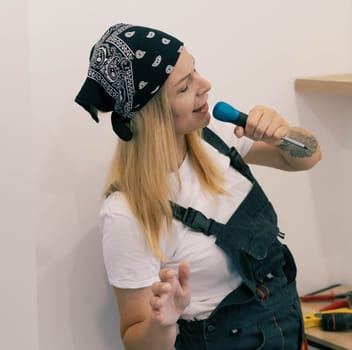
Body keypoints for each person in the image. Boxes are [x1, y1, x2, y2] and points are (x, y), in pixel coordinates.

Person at [75, 23, 321, 350]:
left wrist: (283, 134)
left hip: (288, 333)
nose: (206, 86)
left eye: (196, 70)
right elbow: (136, 340)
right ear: (151, 112)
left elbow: (309, 157)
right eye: (184, 87)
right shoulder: (126, 214)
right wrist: (163, 322)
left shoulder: (214, 140)